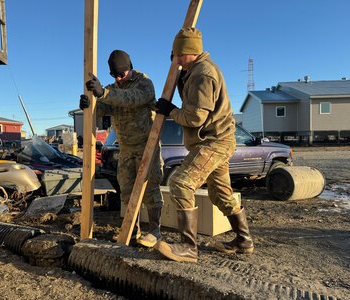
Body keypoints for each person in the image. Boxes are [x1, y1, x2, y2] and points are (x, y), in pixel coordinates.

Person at [154, 28, 254, 263]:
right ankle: (244, 240)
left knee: (180, 183)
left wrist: (170, 111)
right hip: (216, 140)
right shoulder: (193, 72)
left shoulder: (203, 74)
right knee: (220, 194)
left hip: (213, 142)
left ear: (190, 52)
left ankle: (189, 247)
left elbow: (195, 118)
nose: (176, 60)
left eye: (179, 55)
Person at [79, 50, 164, 248]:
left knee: (150, 189)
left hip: (147, 146)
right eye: (114, 75)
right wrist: (88, 104)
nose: (118, 78)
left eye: (121, 74)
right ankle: (132, 231)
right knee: (125, 190)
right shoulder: (112, 88)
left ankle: (155, 231)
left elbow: (131, 99)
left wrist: (104, 94)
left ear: (130, 67)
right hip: (125, 147)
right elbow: (101, 109)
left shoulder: (144, 83)